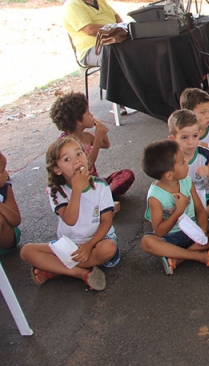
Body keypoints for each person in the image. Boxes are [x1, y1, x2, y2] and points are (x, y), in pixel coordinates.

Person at [20, 137, 118, 290]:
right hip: (70, 244)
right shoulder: (56, 191)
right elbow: (70, 220)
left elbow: (106, 221)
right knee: (27, 251)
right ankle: (81, 273)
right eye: (67, 159)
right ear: (57, 169)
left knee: (109, 249)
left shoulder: (101, 186)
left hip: (97, 241)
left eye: (79, 154)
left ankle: (57, 269)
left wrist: (89, 245)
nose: (76, 161)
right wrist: (77, 189)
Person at [139, 140, 209, 276]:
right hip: (171, 236)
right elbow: (159, 231)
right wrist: (178, 211)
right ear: (169, 175)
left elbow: (200, 210)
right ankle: (199, 256)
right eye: (183, 162)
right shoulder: (155, 196)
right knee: (147, 242)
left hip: (193, 228)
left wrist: (203, 232)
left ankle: (179, 258)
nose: (187, 162)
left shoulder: (187, 181)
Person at [49, 91, 134, 199]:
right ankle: (101, 199)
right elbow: (86, 167)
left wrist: (100, 130)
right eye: (88, 113)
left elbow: (106, 144)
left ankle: (101, 197)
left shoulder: (86, 136)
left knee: (127, 174)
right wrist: (98, 139)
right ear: (78, 121)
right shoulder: (67, 144)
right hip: (79, 187)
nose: (92, 115)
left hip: (94, 181)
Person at [167, 110, 209, 219]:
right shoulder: (170, 159)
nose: (191, 142)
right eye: (184, 137)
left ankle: (197, 217)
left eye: (195, 136)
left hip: (206, 195)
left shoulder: (204, 154)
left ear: (200, 133)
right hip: (184, 200)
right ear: (172, 139)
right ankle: (202, 216)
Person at [62, 0, 126, 67]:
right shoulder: (72, 5)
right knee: (120, 56)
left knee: (139, 49)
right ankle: (113, 83)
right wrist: (116, 30)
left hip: (114, 42)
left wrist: (119, 30)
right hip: (92, 50)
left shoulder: (98, 0)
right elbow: (90, 30)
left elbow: (117, 17)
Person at [0, 151, 21, 256]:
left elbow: (16, 220)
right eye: (2, 170)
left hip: (7, 238)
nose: (7, 173)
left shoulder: (5, 189)